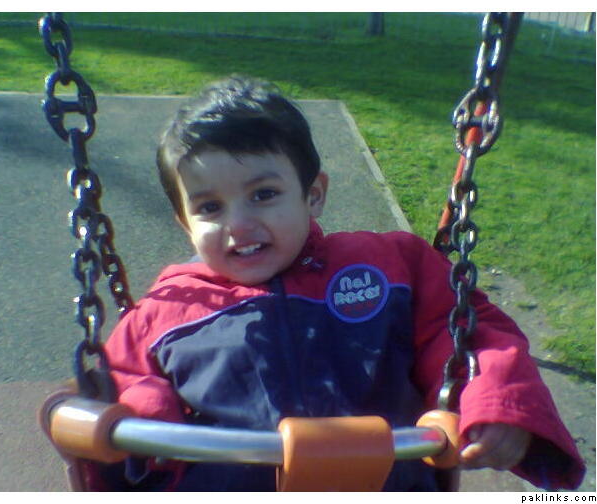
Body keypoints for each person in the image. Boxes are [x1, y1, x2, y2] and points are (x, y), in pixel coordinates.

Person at [93, 75, 584, 491]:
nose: (238, 224)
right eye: (209, 207)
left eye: (264, 194)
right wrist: (151, 422)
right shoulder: (167, 310)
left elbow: (468, 333)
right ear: (185, 223)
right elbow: (125, 378)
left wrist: (495, 402)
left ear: (313, 195)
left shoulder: (391, 266)